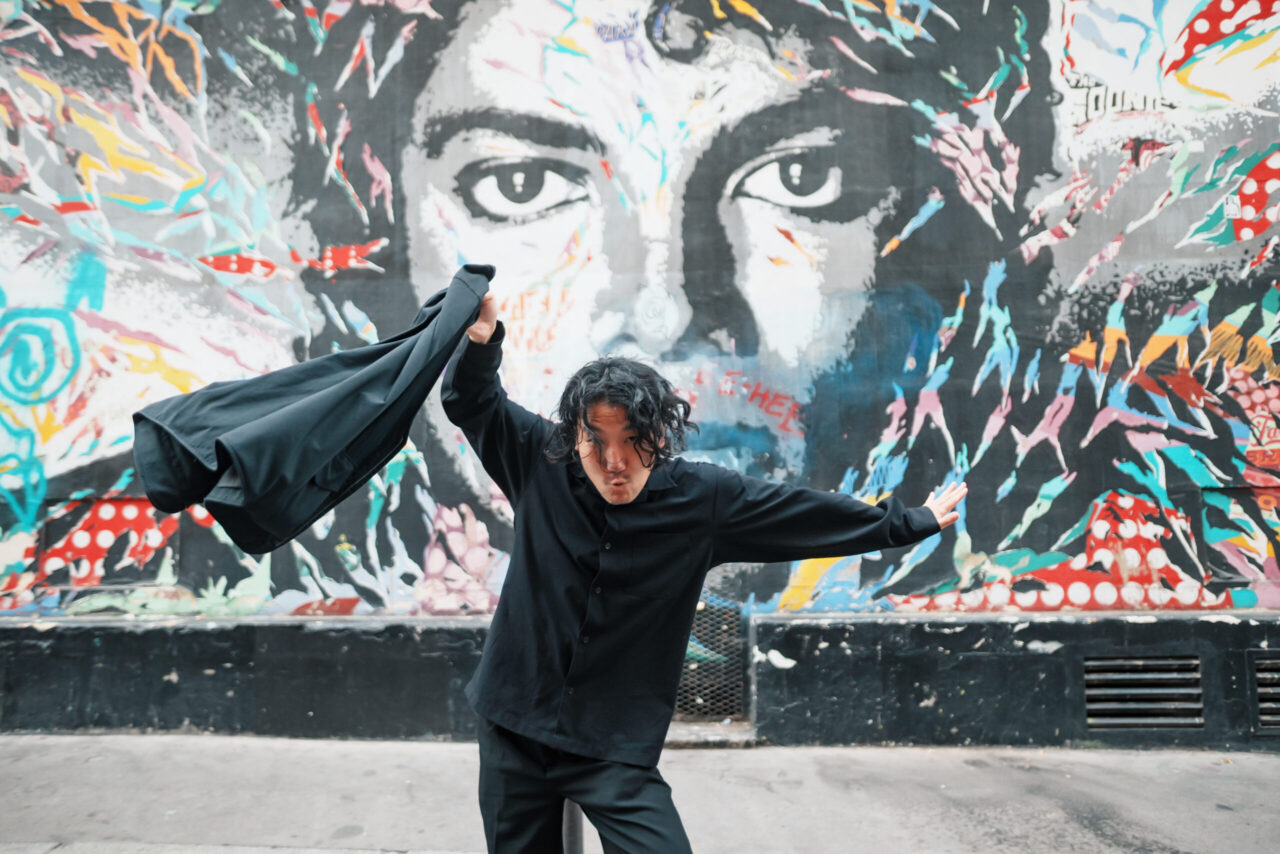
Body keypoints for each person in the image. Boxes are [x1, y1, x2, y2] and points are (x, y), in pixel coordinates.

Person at [443, 291, 966, 851]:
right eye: (597, 443)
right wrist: (481, 343)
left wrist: (907, 522)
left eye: (633, 442)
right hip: (514, 725)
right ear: (574, 436)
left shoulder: (703, 499)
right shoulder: (539, 459)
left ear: (659, 436)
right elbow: (472, 401)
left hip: (610, 745)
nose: (615, 462)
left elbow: (803, 514)